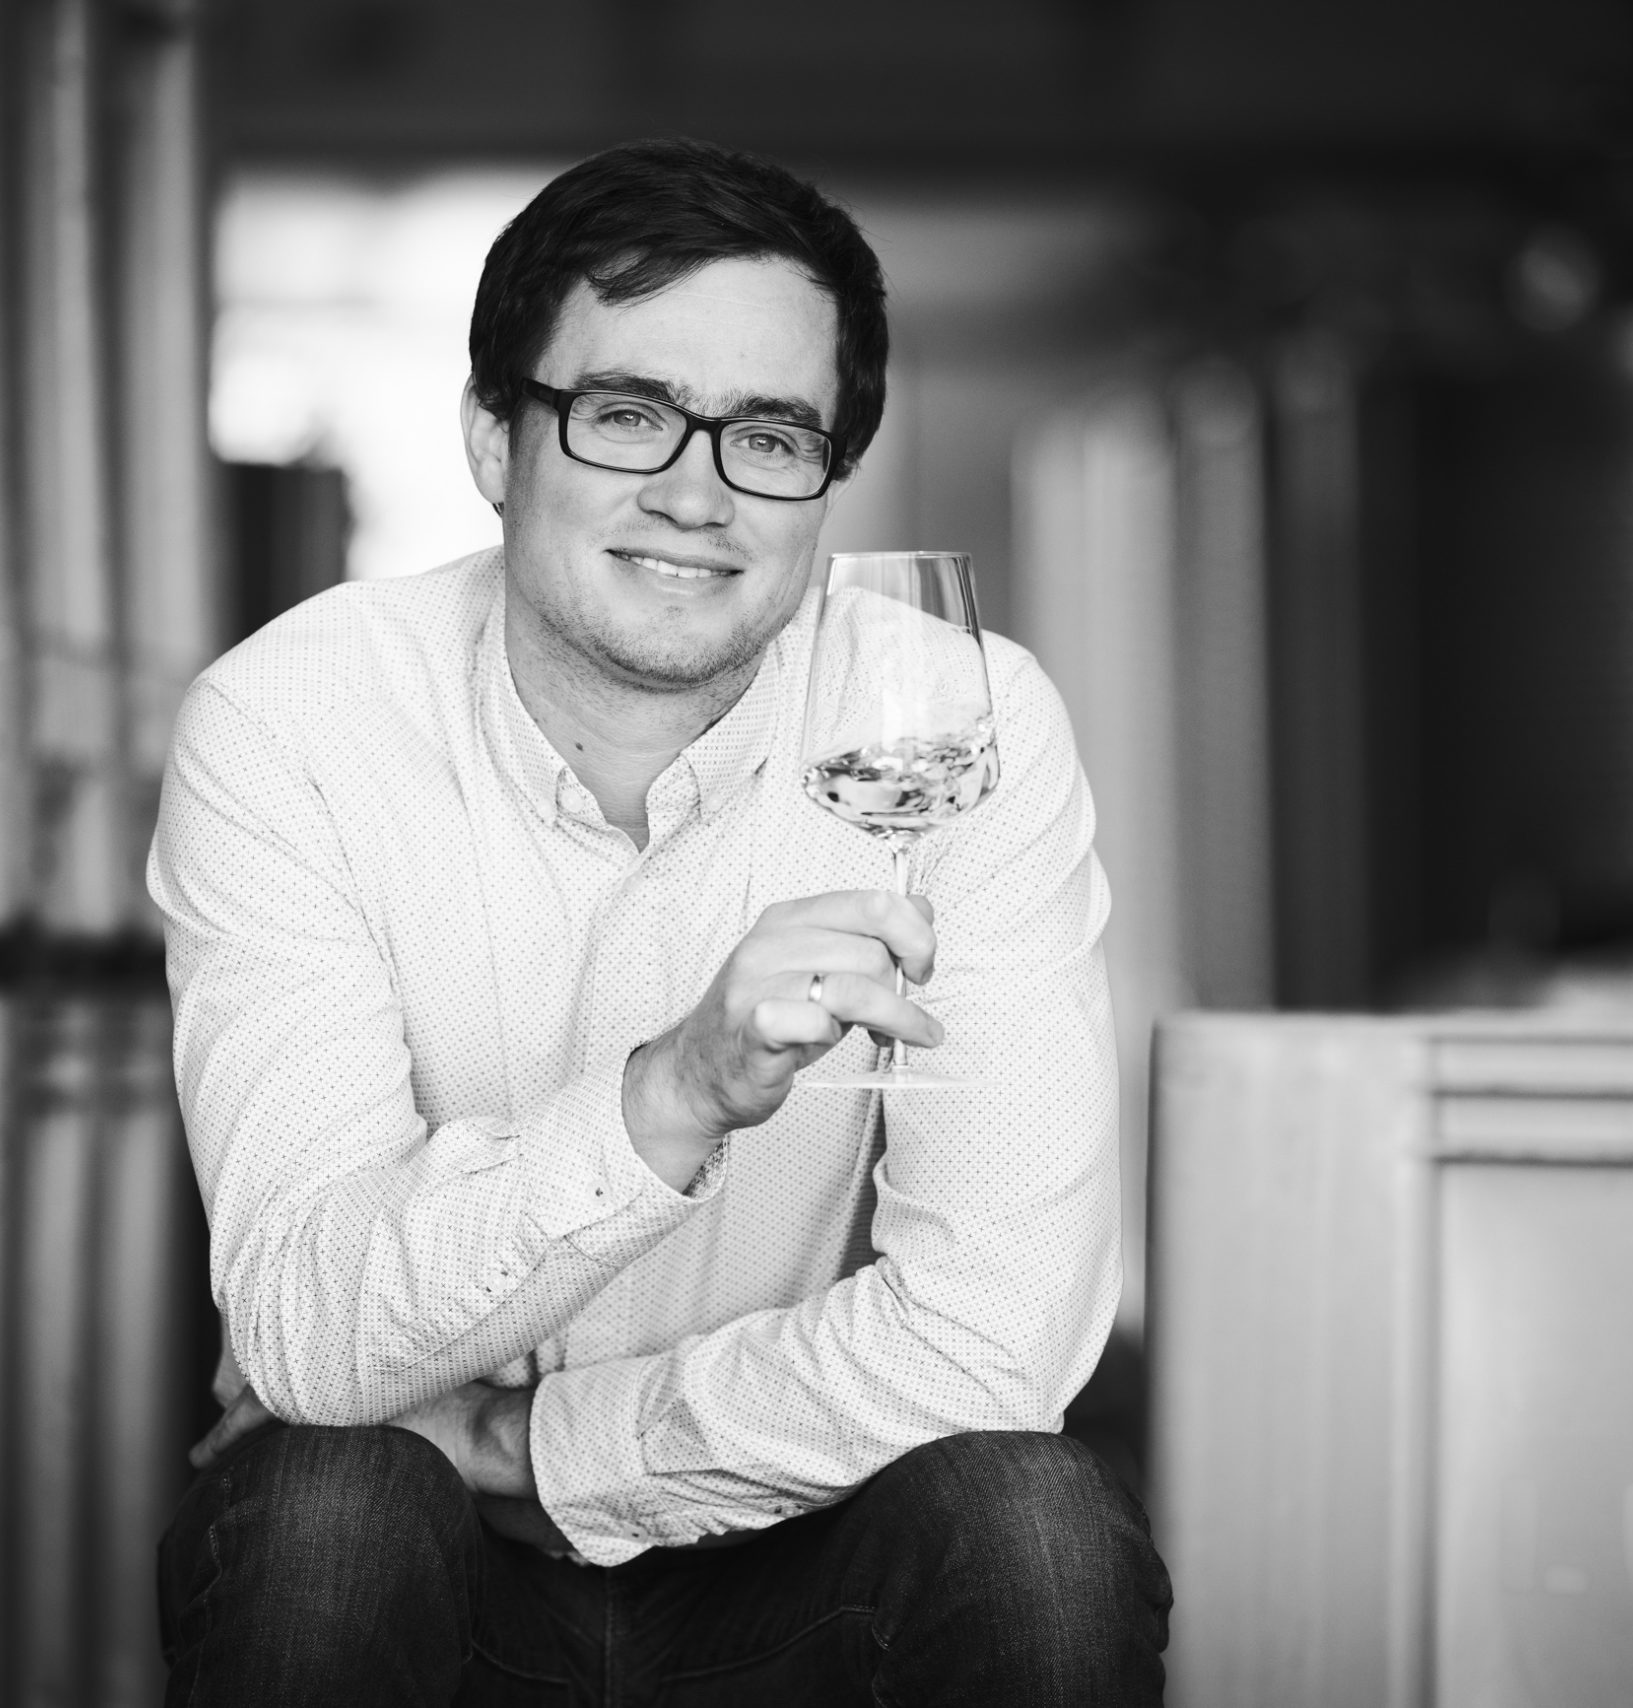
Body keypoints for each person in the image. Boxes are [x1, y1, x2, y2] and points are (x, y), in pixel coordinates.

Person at [146, 136, 1169, 1705]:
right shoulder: (295, 723)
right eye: (626, 415)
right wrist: (669, 1100)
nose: (696, 496)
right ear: (494, 439)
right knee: (324, 1515)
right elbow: (304, 1332)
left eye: (768, 435)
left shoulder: (954, 724)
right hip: (432, 1563)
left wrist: (531, 1444)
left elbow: (994, 1341)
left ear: (829, 477)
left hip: (801, 1541)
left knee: (1037, 1532)